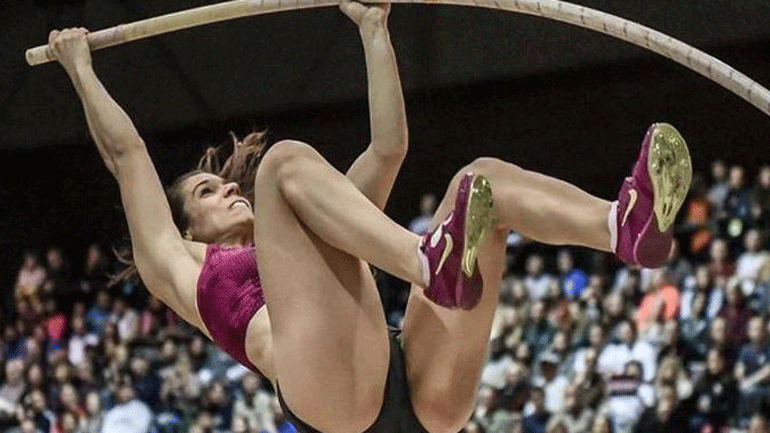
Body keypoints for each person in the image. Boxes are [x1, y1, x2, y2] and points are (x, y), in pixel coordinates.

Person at [46, 1, 692, 430]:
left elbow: (389, 149)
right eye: (210, 193)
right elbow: (128, 153)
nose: (229, 190)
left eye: (224, 182)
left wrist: (373, 28)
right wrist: (80, 69)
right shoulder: (180, 264)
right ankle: (424, 259)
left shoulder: (323, 222)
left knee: (481, 181)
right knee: (283, 162)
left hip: (417, 381)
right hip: (331, 399)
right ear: (189, 228)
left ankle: (623, 226)